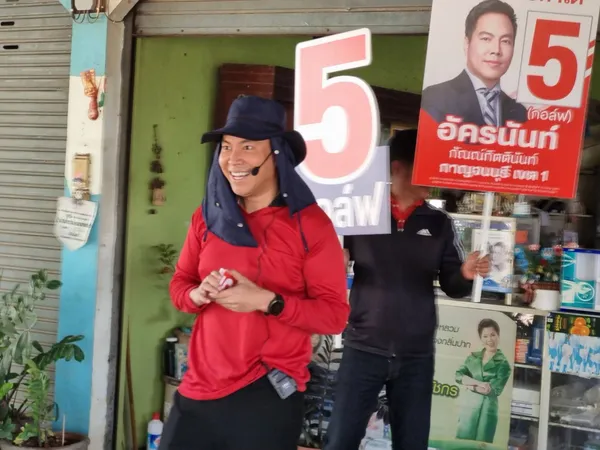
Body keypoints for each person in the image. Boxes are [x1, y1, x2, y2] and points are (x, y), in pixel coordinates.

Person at [160, 95, 349, 450]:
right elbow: (180, 285)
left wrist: (267, 301)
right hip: (198, 389)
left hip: (266, 393)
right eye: (226, 147)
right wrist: (197, 294)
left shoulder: (310, 226)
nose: (233, 159)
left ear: (276, 154)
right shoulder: (207, 217)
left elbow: (334, 316)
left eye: (247, 146)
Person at [323, 129, 490, 450]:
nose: (433, 177)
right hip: (364, 348)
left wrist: (465, 273)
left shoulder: (439, 222)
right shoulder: (361, 212)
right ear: (397, 167)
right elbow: (329, 269)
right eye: (425, 168)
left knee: (412, 443)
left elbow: (453, 284)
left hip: (416, 355)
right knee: (341, 440)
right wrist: (333, 264)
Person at [422, 0, 527, 126]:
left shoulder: (520, 113)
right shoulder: (436, 98)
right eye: (486, 39)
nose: (496, 50)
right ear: (467, 43)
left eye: (505, 41)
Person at [455, 318, 512, 443]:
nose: (489, 339)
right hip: (468, 407)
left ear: (498, 336)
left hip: (487, 410)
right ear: (481, 338)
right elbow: (458, 375)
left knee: (482, 443)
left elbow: (491, 390)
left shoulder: (504, 364)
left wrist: (469, 384)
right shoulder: (473, 357)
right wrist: (479, 384)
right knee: (462, 442)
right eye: (485, 336)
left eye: (493, 335)